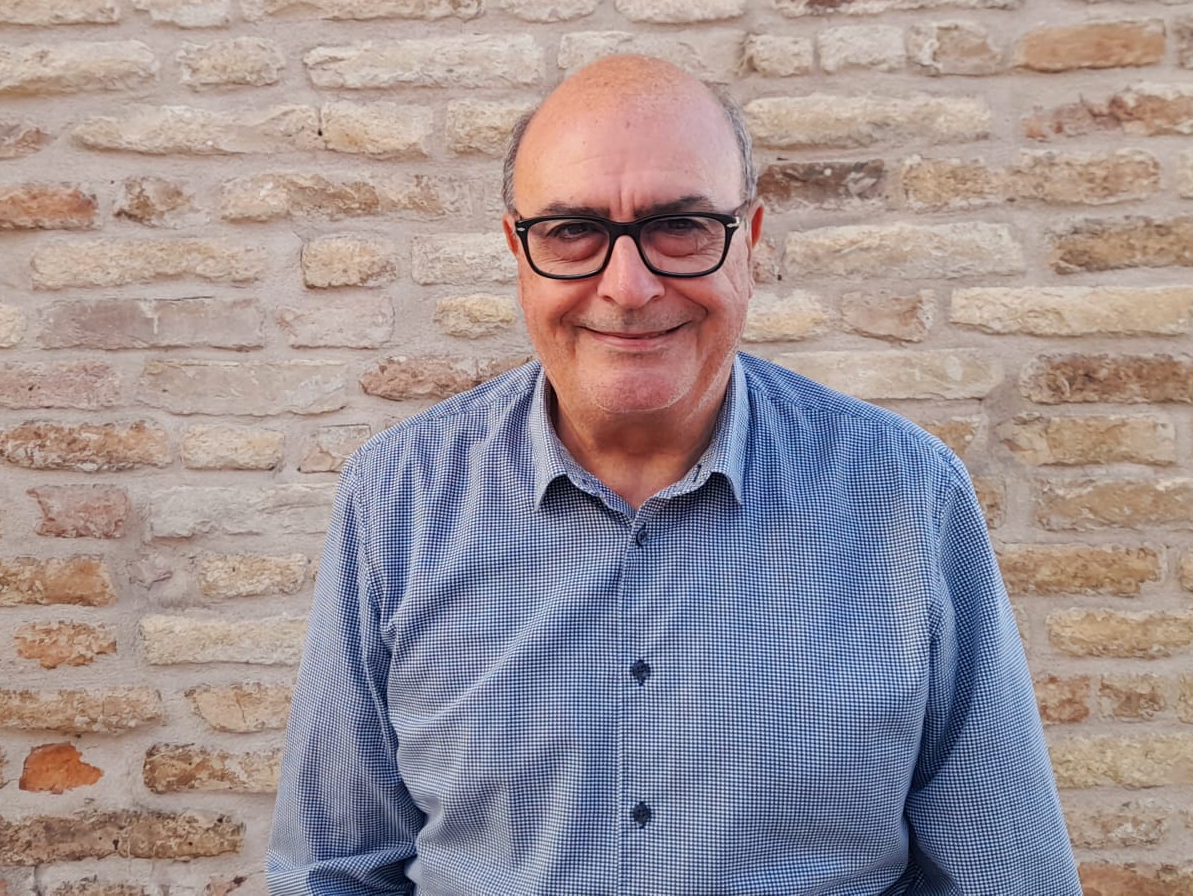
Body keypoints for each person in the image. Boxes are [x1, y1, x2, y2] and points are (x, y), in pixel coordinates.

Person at [267, 55, 1081, 895]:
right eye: (573, 230)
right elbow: (334, 874)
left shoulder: (906, 496)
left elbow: (1005, 878)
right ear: (517, 249)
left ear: (750, 242)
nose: (628, 287)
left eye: (681, 226)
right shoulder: (398, 499)